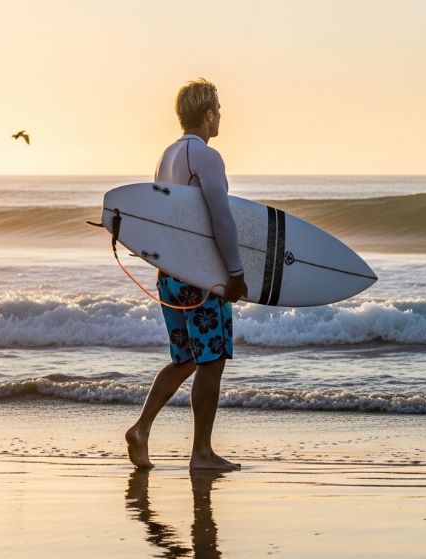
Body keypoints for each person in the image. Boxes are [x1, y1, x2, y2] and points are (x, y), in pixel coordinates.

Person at [126, 78, 248, 471]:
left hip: (170, 273)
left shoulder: (167, 155)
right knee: (211, 362)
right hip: (200, 276)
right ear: (208, 113)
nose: (220, 117)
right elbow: (221, 217)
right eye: (218, 110)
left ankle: (142, 429)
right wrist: (235, 272)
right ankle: (202, 454)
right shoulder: (206, 156)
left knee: (185, 360)